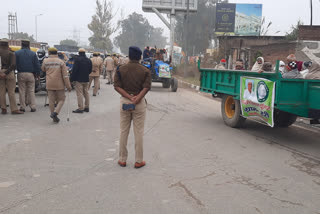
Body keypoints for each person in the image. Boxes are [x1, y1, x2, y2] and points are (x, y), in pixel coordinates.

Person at [114, 46, 151, 169]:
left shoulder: (121, 69)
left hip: (125, 101)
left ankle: (122, 159)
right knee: (139, 132)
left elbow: (117, 86)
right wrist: (137, 98)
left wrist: (129, 98)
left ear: (129, 56)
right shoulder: (145, 70)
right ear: (140, 57)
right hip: (139, 103)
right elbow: (146, 87)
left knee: (123, 131)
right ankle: (138, 160)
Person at [41, 47, 72, 123]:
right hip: (59, 84)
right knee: (61, 99)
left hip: (49, 83)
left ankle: (53, 116)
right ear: (56, 53)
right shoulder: (61, 62)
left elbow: (43, 69)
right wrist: (68, 86)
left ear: (49, 53)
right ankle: (55, 113)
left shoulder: (45, 61)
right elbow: (65, 76)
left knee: (51, 101)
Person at [15, 39, 40, 112]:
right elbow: (37, 65)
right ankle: (33, 107)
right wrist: (37, 74)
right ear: (29, 45)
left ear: (21, 45)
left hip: (21, 73)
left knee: (22, 91)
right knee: (31, 91)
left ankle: (22, 107)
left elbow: (14, 64)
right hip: (31, 74)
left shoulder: (17, 53)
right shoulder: (33, 53)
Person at [0, 39, 24, 115]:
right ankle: (14, 109)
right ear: (7, 44)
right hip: (9, 73)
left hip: (0, 72)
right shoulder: (11, 53)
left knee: (1, 92)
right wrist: (6, 73)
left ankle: (3, 108)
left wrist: (1, 73)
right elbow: (13, 65)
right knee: (11, 92)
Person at [70, 48, 92, 113]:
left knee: (79, 94)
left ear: (79, 53)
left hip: (79, 79)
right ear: (84, 53)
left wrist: (71, 79)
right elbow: (90, 70)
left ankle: (80, 108)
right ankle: (87, 107)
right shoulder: (88, 60)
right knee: (86, 93)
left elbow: (74, 70)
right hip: (86, 79)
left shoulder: (77, 60)